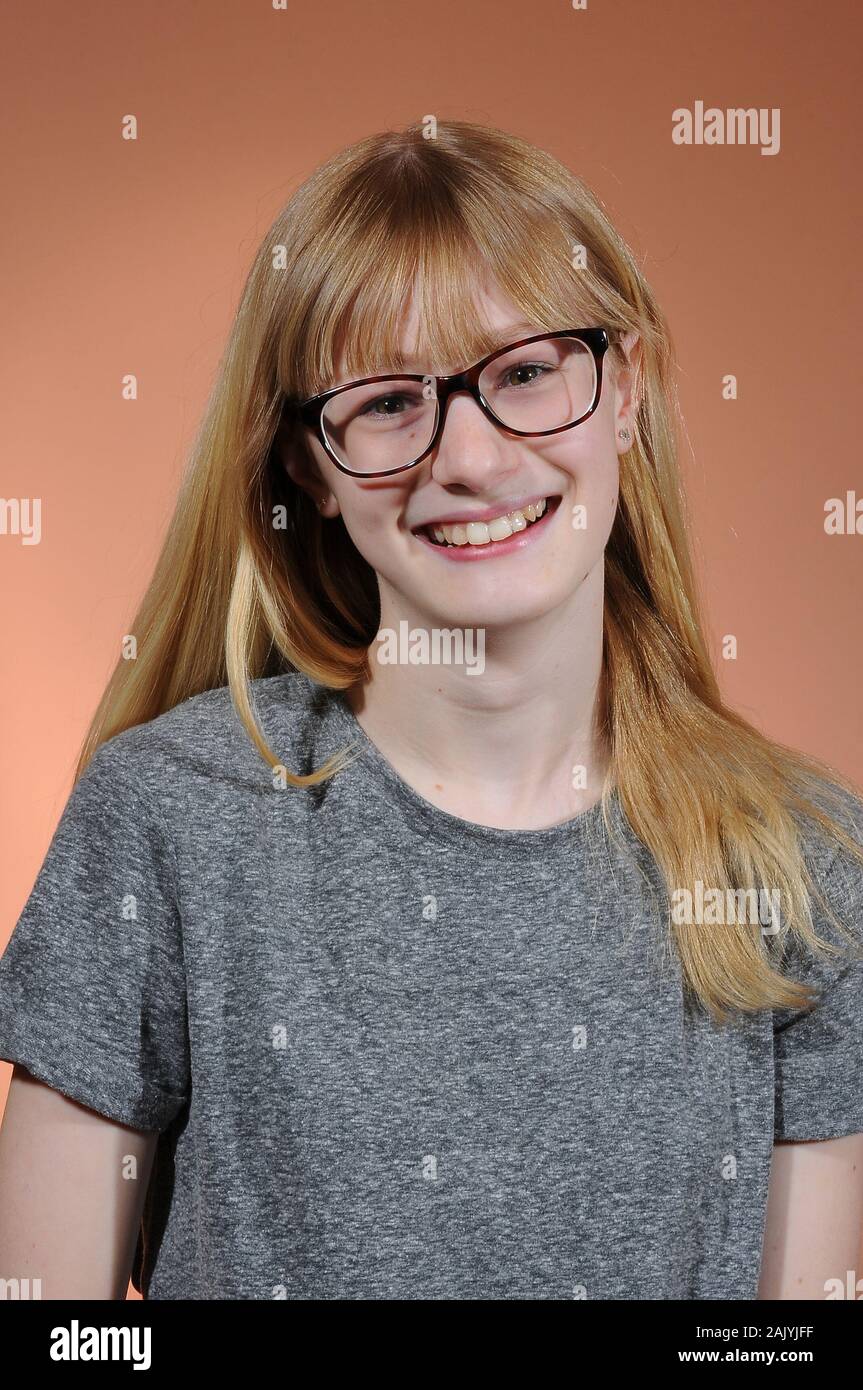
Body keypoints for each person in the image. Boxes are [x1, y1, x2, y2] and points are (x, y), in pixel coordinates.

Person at [0, 119, 861, 1301]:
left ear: (626, 391)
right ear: (308, 465)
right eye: (390, 402)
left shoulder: (804, 861)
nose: (468, 456)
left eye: (522, 372)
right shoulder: (169, 816)